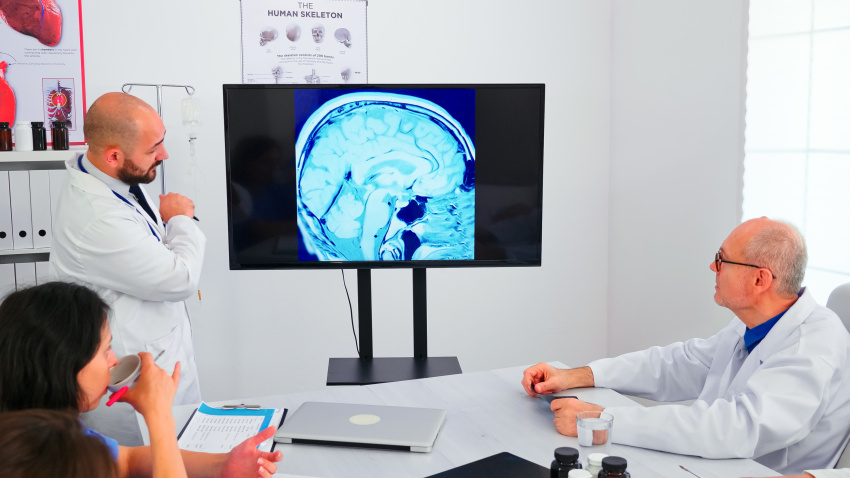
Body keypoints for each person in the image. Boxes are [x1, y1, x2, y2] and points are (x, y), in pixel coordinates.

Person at [522, 217, 850, 475]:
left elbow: (735, 428)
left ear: (760, 280)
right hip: (708, 462)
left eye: (722, 260)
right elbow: (681, 363)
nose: (712, 268)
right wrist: (575, 376)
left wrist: (602, 418)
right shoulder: (758, 321)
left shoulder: (812, 347)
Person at [0, 281, 281, 477]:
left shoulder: (59, 431)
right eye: (105, 349)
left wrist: (224, 465)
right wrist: (159, 416)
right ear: (63, 363)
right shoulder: (38, 457)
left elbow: (127, 460)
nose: (114, 360)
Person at [49, 91, 205, 439]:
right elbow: (180, 278)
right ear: (114, 155)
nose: (163, 155)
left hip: (158, 360)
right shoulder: (97, 218)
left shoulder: (112, 178)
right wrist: (181, 220)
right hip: (131, 382)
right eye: (153, 149)